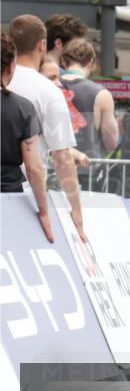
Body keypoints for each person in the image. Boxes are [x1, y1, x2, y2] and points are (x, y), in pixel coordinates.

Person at [8, 14, 87, 241]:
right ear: (42, 45)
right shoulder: (49, 92)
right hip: (27, 197)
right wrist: (76, 209)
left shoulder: (6, 81)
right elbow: (62, 157)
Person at [1, 33, 54, 242]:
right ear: (11, 67)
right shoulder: (23, 109)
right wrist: (43, 211)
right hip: (8, 199)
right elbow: (34, 168)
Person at [59, 39, 118, 160]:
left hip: (53, 168)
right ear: (90, 61)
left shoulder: (49, 86)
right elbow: (111, 142)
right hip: (89, 169)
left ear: (63, 61)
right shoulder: (101, 94)